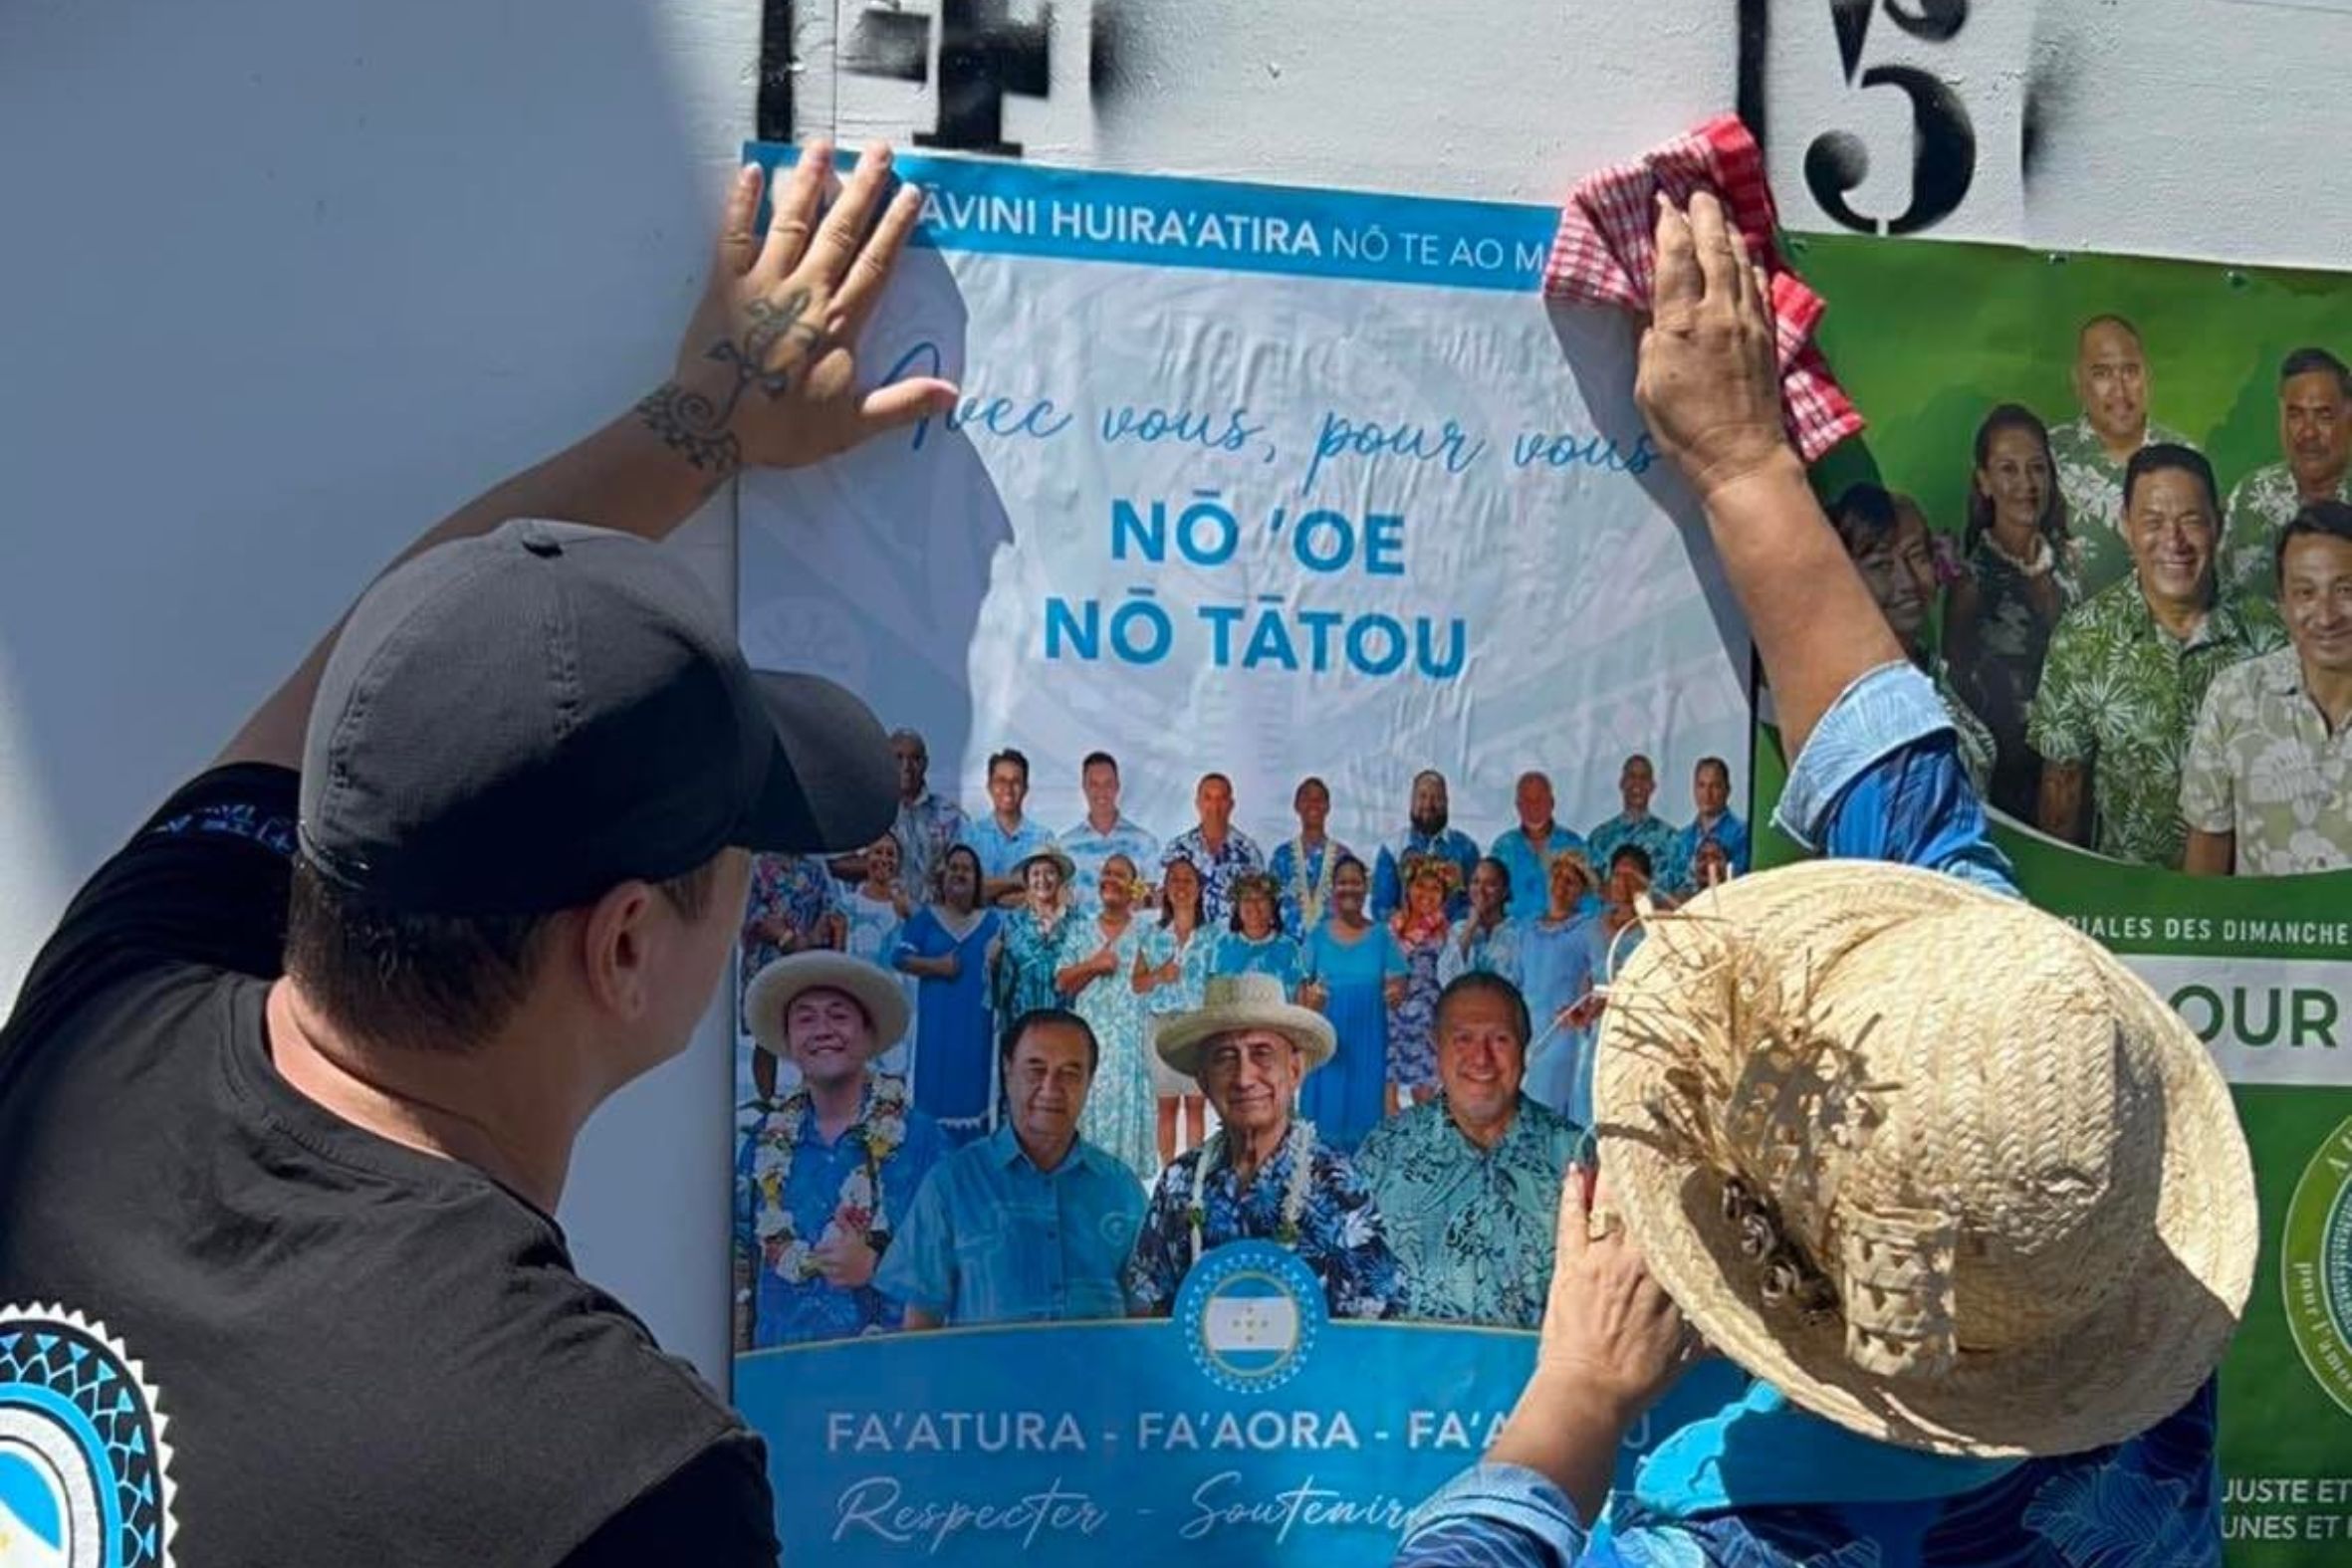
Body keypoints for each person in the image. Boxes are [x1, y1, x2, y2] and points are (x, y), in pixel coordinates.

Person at [0, 140, 951, 1564]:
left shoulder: (113, 1008)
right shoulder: (617, 1479)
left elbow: (388, 663)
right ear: (625, 944)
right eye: (745, 837)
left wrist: (706, 414)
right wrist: (706, 417)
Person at [1396, 187, 2251, 1568]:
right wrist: (1747, 464)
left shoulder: (1719, 1547)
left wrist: (1578, 1394)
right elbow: (1907, 807)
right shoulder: (2107, 1341)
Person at [2030, 445, 2286, 868]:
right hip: (2127, 897)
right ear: (2126, 526)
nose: (2174, 541)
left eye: (2191, 520)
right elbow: (2063, 790)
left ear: (2219, 524)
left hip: (2248, 895)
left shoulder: (2273, 636)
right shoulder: (2082, 639)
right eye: (2153, 522)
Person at [1125, 974, 1405, 1321]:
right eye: (1225, 1057)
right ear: (1203, 1081)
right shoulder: (1179, 1184)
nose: (1244, 1078)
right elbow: (1151, 1314)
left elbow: (1376, 1330)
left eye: (1262, 1053)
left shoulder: (1338, 1187)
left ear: (1295, 1070)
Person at [877, 1009, 1146, 1327]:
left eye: (1070, 1073)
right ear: (1008, 1071)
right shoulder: (952, 1184)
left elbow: (1145, 1312)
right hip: (984, 1363)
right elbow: (921, 1321)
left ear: (1090, 1082)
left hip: (1101, 1362)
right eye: (1036, 1070)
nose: (1050, 1088)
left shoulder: (1121, 1188)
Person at [734, 954, 950, 1349]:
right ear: (788, 1040)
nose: (823, 1030)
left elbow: (955, 1262)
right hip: (782, 1370)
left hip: (887, 1371)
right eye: (805, 1019)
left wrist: (878, 1267)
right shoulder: (761, 1146)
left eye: (838, 1016)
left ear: (868, 1034)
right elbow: (740, 1262)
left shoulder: (923, 1142)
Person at [1355, 974, 1585, 1329]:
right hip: (1412, 1366)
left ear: (1524, 1048)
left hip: (1542, 1366)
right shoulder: (1383, 1155)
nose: (1481, 1058)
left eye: (1500, 1039)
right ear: (1436, 1046)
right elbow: (1349, 1294)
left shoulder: (1578, 1159)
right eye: (1463, 1039)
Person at [2182, 501, 2352, 876]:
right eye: (2305, 593)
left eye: (2345, 590)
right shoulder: (2234, 698)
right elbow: (2205, 866)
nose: (2326, 616)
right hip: (2260, 917)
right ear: (2283, 603)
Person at [1942, 404, 2077, 822]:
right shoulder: (1971, 583)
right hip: (2007, 787)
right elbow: (1957, 697)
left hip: (2073, 774)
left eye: (2036, 468)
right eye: (2008, 469)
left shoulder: (2070, 564)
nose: (2026, 484)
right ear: (1984, 481)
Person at [1829, 484, 1997, 796]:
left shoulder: (1929, 670)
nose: (1907, 582)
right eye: (1881, 565)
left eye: (1917, 557)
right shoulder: (1860, 696)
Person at [2048, 314, 2196, 596]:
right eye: (2102, 374)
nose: (2119, 389)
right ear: (2078, 381)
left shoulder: (2185, 458)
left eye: (2130, 371)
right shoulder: (2045, 459)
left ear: (2147, 376)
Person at [1053, 852, 1159, 1182]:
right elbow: (1062, 982)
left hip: (1130, 1060)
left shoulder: (1146, 934)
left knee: (1125, 1168)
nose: (1110, 879)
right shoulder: (1082, 931)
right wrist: (1094, 965)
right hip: (1090, 1055)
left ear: (1133, 887)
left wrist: (1152, 902)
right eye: (1106, 873)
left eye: (1120, 875)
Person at [2221, 347, 2352, 600]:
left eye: (2324, 416)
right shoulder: (2251, 496)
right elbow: (2221, 597)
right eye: (2295, 415)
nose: (2308, 433)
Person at [891, 843, 1001, 1143]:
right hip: (935, 1031)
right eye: (954, 867)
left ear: (977, 879)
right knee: (931, 1102)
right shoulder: (925, 920)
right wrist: (936, 966)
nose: (959, 874)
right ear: (943, 875)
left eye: (967, 869)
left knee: (973, 1098)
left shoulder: (992, 923)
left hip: (975, 1032)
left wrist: (999, 960)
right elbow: (899, 957)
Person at [1298, 854, 1409, 1152]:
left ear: (1366, 887)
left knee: (1364, 1130)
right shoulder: (1317, 936)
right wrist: (1310, 1000)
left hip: (1368, 1042)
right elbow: (1299, 989)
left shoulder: (1381, 936)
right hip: (1327, 1045)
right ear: (1333, 888)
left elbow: (1400, 980)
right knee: (1321, 1133)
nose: (1349, 888)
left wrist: (1397, 990)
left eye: (1355, 882)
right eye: (1342, 882)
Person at [1138, 852, 1218, 1164]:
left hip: (1198, 1027)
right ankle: (1168, 1174)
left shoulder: (1214, 936)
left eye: (1188, 880)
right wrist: (1159, 975)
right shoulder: (1152, 934)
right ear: (1166, 889)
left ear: (1199, 889)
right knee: (1167, 1106)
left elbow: (1220, 981)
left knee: (1196, 1105)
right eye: (1174, 880)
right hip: (1162, 1027)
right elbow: (1137, 983)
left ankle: (1193, 1173)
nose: (1181, 886)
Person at [828, 726, 966, 902]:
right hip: (877, 915)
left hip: (930, 914)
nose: (906, 766)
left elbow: (967, 871)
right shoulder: (864, 811)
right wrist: (879, 863)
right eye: (898, 758)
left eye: (915, 758)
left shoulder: (950, 815)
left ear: (925, 763)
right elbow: (837, 865)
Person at [1517, 850, 1604, 1124]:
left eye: (1571, 881)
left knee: (1548, 1114)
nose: (1561, 886)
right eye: (1557, 877)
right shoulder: (1527, 930)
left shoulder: (1587, 929)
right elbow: (1516, 982)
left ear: (1582, 891)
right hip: (1527, 1035)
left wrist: (1585, 1013)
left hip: (1563, 1036)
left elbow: (1603, 981)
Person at [840, 832, 918, 1075]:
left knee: (893, 1078)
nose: (884, 859)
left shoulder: (908, 908)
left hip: (897, 1003)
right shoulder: (847, 904)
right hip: (857, 1001)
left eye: (890, 854)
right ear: (866, 858)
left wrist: (908, 913)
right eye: (878, 852)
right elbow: (837, 956)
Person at [1386, 857, 1456, 1114]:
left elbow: (1453, 979)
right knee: (1386, 1093)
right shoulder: (1391, 928)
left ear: (1444, 896)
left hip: (1426, 1021)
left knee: (1425, 1097)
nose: (1426, 894)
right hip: (1391, 1016)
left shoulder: (1445, 932)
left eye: (1435, 888)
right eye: (1420, 885)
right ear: (1408, 889)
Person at [1057, 750, 1161, 913]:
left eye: (1108, 783)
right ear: (1084, 787)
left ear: (1117, 786)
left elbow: (1153, 898)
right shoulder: (1065, 847)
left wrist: (1139, 901)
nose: (1101, 791)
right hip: (1081, 929)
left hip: (1130, 929)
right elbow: (1058, 902)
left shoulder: (1144, 843)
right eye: (1094, 784)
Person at [1372, 770, 1482, 920]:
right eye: (1422, 796)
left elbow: (1475, 903)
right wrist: (1408, 928)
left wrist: (1448, 929)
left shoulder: (1466, 849)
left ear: (1447, 802)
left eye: (1436, 798)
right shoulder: (1392, 849)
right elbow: (1382, 907)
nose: (1428, 804)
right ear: (1412, 801)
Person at [1159, 772, 1267, 923]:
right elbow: (1162, 899)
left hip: (1232, 936)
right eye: (1208, 798)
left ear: (1231, 804)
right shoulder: (1177, 849)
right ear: (1198, 803)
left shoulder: (1248, 851)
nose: (1215, 805)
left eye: (1221, 798)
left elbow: (1259, 903)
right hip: (1191, 936)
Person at [988, 844, 1077, 1020]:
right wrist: (994, 963)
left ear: (1060, 878)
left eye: (1050, 872)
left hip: (1066, 1021)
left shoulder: (1077, 921)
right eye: (1035, 874)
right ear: (1027, 881)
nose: (1042, 879)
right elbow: (1001, 985)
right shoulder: (1013, 923)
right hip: (1023, 1020)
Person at [962, 748, 1057, 906]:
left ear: (1025, 788)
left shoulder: (1043, 838)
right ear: (989, 786)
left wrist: (996, 891)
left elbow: (1053, 894)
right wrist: (1016, 881)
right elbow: (965, 889)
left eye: (1016, 781)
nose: (1008, 788)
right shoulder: (970, 836)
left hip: (1028, 923)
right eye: (1001, 781)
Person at [1489, 771, 1589, 921]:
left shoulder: (1573, 844)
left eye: (1540, 799)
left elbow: (1589, 900)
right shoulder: (1503, 847)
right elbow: (1490, 900)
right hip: (1513, 931)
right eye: (1527, 800)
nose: (1533, 806)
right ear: (1518, 806)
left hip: (1565, 930)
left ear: (1552, 803)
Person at [1269, 775, 1355, 935]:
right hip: (1289, 947)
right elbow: (1270, 908)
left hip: (1332, 947)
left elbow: (1352, 910)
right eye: (1306, 798)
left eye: (1319, 799)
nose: (1313, 804)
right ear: (1296, 806)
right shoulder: (1282, 857)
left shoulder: (1343, 857)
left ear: (1327, 807)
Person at [1585, 754, 1679, 877]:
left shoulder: (1670, 839)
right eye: (1632, 776)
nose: (1637, 783)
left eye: (1644, 777)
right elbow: (1590, 885)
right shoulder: (1599, 838)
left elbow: (1683, 885)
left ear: (1652, 786)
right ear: (1622, 783)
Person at [1666, 757, 1750, 894]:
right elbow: (1671, 885)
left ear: (1727, 790)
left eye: (1715, 786)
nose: (1707, 793)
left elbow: (1741, 882)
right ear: (1694, 789)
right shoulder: (1681, 839)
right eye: (1702, 785)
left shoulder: (1743, 835)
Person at [1212, 870, 1303, 994]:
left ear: (1272, 906)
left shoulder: (1289, 947)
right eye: (1247, 899)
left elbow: (1299, 994)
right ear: (1237, 908)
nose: (1254, 905)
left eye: (1261, 899)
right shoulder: (1223, 946)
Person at [1439, 856, 1525, 987]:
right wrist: (1469, 929)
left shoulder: (1519, 933)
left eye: (1490, 884)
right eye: (1475, 881)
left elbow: (1522, 982)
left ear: (1504, 891)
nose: (1480, 889)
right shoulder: (1458, 929)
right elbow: (1447, 980)